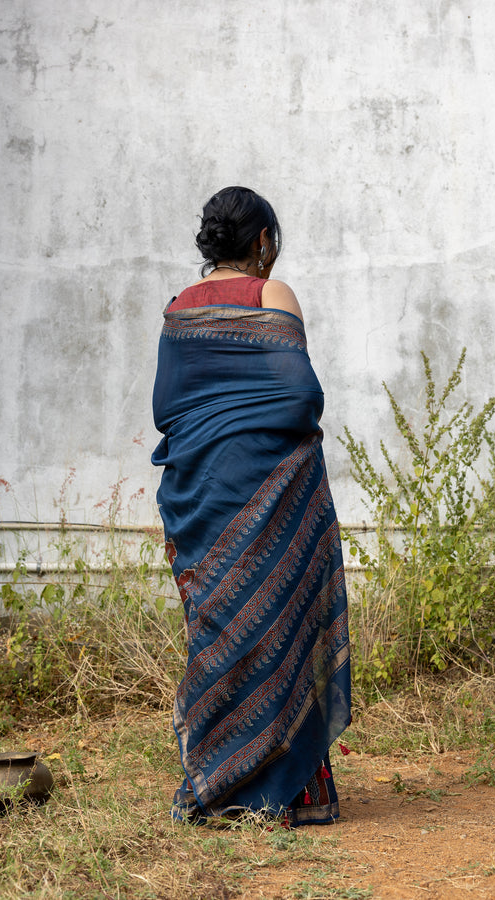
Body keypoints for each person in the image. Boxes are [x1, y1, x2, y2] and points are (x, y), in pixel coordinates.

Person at [151, 186, 351, 826]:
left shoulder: (180, 308)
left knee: (219, 635)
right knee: (282, 627)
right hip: (266, 490)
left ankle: (216, 785)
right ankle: (292, 791)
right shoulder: (272, 296)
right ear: (262, 242)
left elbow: (166, 409)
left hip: (199, 492)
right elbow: (300, 396)